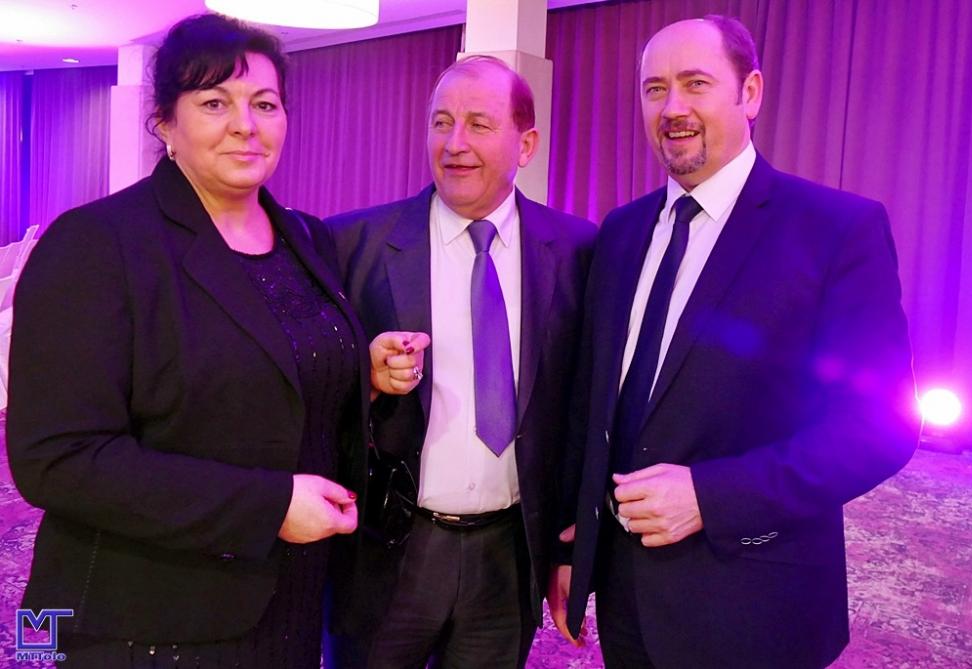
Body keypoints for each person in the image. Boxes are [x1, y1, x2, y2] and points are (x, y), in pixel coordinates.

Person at [6, 13, 425, 668]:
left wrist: (359, 375)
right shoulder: (97, 244)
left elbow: (270, 377)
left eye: (265, 104)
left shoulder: (307, 239)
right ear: (164, 122)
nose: (245, 125)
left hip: (290, 603)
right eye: (214, 103)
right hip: (143, 616)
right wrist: (268, 507)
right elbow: (56, 459)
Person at [548, 15, 920, 669]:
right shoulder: (622, 231)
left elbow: (880, 429)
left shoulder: (835, 230)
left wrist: (710, 497)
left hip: (756, 604)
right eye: (655, 88)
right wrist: (572, 544)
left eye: (696, 83)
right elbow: (593, 402)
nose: (673, 107)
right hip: (628, 599)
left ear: (750, 93)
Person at [326, 55, 596, 668]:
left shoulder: (576, 251)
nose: (454, 143)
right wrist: (367, 378)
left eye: (478, 124)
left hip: (509, 555)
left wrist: (568, 545)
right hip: (389, 550)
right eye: (441, 122)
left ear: (526, 144)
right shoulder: (352, 245)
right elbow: (308, 389)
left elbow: (581, 406)